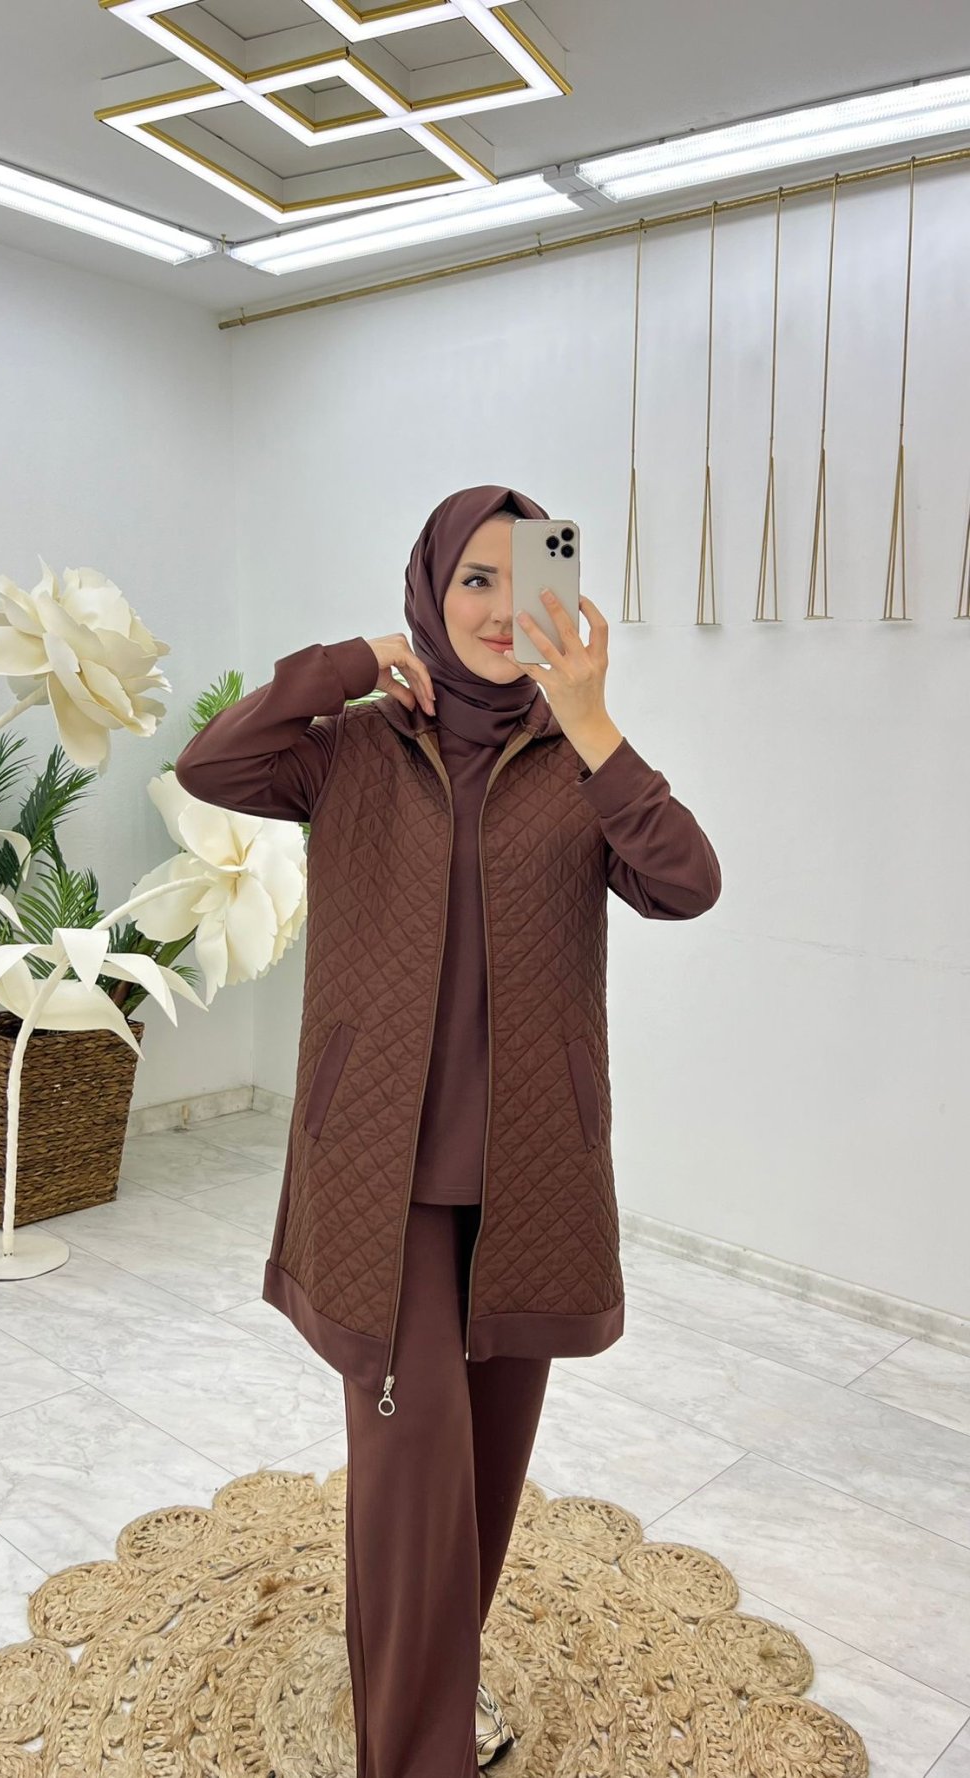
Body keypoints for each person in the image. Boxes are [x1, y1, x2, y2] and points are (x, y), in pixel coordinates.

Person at [174, 483, 721, 1778]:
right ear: (428, 589)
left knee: (481, 1476)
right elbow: (211, 762)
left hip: (530, 1180)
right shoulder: (353, 749)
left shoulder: (578, 763)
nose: (498, 606)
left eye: (525, 578)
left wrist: (593, 719)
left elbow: (686, 883)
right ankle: (417, 1751)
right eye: (473, 578)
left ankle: (429, 1679)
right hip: (385, 1183)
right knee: (413, 1472)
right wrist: (352, 663)